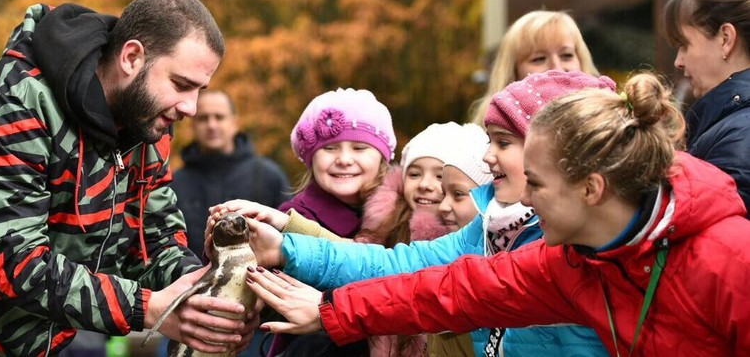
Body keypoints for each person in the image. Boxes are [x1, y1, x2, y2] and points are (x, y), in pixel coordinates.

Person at [0, 0, 257, 355]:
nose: (191, 108)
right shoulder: (11, 103)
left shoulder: (145, 125)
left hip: (20, 337)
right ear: (132, 57)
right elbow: (16, 261)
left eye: (200, 90)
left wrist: (206, 295)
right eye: (182, 84)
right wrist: (150, 308)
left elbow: (153, 242)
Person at [246, 72, 750, 356]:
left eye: (537, 183)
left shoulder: (730, 261)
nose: (523, 198)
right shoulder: (570, 260)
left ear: (591, 188)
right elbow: (451, 289)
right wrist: (330, 309)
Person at [216, 122, 491, 357]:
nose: (428, 187)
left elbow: (399, 285)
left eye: (454, 191)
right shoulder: (388, 223)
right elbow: (368, 261)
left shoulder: (484, 247)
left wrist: (327, 311)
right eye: (415, 173)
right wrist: (286, 229)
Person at [665, 0, 750, 213]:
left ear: (725, 38)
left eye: (684, 45)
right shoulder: (729, 124)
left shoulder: (739, 135)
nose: (678, 61)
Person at [172, 89, 291, 257]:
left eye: (219, 117)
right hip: (192, 278)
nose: (211, 125)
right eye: (203, 118)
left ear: (234, 122)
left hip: (257, 279)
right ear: (193, 124)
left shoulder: (267, 175)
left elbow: (289, 236)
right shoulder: (176, 182)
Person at [276, 88, 397, 238]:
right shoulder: (293, 221)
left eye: (359, 148)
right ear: (312, 159)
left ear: (381, 158)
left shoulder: (403, 212)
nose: (344, 160)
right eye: (329, 148)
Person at [469, 10, 599, 125]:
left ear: (582, 61)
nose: (557, 68)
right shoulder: (487, 143)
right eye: (539, 59)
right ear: (512, 73)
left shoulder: (609, 126)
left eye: (566, 55)